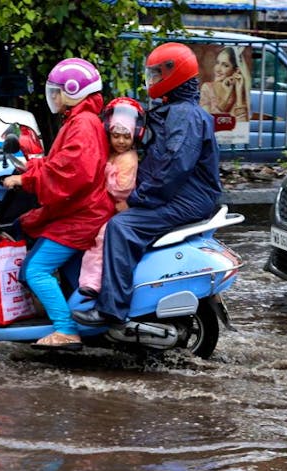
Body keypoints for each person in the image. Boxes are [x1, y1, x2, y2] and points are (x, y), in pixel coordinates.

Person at [72, 42, 223, 328]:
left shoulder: (185, 115)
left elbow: (174, 166)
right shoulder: (173, 110)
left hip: (185, 199)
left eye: (156, 74)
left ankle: (111, 311)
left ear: (173, 75)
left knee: (121, 227)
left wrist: (138, 199)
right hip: (181, 195)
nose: (152, 80)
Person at [2, 57, 113, 351]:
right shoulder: (79, 120)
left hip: (81, 215)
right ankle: (75, 320)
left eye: (58, 90)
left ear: (74, 90)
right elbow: (61, 163)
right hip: (81, 209)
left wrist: (26, 180)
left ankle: (65, 330)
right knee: (72, 275)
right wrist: (33, 166)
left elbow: (71, 173)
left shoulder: (84, 124)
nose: (54, 96)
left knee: (34, 270)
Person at [77, 97, 145, 298]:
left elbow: (120, 189)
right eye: (116, 135)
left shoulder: (128, 158)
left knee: (101, 239)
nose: (121, 141)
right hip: (105, 205)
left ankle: (93, 284)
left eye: (126, 136)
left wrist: (105, 172)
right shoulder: (111, 153)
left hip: (115, 208)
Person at [199, 46, 249, 121]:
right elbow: (208, 120)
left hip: (234, 132)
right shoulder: (207, 88)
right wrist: (227, 95)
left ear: (236, 70)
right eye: (217, 63)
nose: (218, 69)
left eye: (225, 65)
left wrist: (239, 95)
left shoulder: (240, 91)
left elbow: (242, 125)